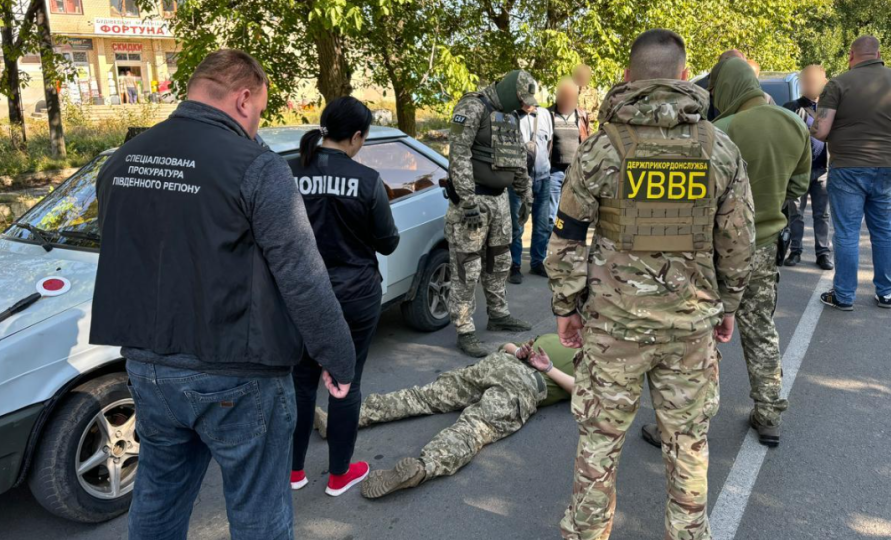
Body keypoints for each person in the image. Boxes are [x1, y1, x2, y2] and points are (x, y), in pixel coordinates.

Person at [91, 50, 355, 539]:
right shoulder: (258, 167)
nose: (255, 125)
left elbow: (132, 255)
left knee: (157, 499)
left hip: (150, 368)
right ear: (243, 97)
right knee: (258, 510)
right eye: (257, 113)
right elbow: (303, 276)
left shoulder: (121, 162)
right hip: (240, 374)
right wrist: (338, 358)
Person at [546, 29, 755, 540]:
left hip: (613, 329)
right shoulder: (719, 150)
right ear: (685, 77)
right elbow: (738, 241)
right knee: (688, 445)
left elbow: (567, 239)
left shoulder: (599, 150)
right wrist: (729, 305)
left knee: (599, 442)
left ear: (626, 78)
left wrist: (566, 306)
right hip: (690, 327)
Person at [288, 97, 401, 496]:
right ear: (355, 136)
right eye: (363, 139)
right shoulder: (367, 180)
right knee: (344, 382)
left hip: (300, 295)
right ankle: (339, 475)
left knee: (300, 382)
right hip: (354, 296)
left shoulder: (289, 171)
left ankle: (293, 472)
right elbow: (388, 243)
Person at [309, 334, 577, 499]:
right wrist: (517, 351)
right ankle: (425, 466)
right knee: (473, 427)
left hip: (523, 377)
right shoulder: (565, 335)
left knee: (425, 396)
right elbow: (510, 346)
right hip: (508, 368)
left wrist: (548, 368)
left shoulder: (592, 357)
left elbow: (583, 391)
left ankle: (341, 419)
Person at [701, 57, 810, 446]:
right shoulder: (794, 124)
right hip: (766, 246)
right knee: (760, 328)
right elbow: (799, 188)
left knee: (704, 334)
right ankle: (768, 413)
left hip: (718, 251)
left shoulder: (718, 131)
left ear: (726, 88)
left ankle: (692, 421)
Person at [811, 36, 891, 311]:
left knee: (846, 233)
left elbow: (820, 131)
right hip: (887, 166)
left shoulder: (838, 84)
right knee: (884, 230)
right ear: (879, 53)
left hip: (848, 167)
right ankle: (886, 293)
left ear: (851, 56)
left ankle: (843, 296)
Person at [446, 70, 536, 357]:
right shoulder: (472, 107)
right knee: (467, 266)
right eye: (522, 99)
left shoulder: (508, 116)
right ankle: (464, 328)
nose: (525, 106)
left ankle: (498, 314)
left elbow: (518, 158)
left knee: (500, 260)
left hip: (499, 202)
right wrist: (466, 200)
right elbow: (458, 153)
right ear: (511, 91)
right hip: (475, 203)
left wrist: (526, 194)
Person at [783, 65, 833, 269]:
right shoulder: (791, 108)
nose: (809, 84)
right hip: (798, 170)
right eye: (806, 81)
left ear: (824, 83)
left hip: (823, 169)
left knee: (822, 214)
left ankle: (823, 253)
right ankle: (795, 251)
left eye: (814, 81)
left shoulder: (830, 109)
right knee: (795, 213)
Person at [508, 97, 554, 283]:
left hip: (543, 178)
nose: (527, 104)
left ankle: (537, 262)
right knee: (516, 226)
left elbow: (548, 143)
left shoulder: (544, 114)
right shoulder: (510, 117)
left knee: (542, 225)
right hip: (518, 181)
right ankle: (515, 266)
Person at [546, 78, 590, 230]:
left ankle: (567, 248)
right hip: (554, 172)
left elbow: (586, 140)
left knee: (572, 212)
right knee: (551, 214)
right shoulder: (549, 114)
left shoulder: (582, 115)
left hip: (575, 172)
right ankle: (549, 249)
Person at [573, 64, 601, 128]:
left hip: (588, 129)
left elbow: (599, 110)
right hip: (572, 128)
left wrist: (590, 117)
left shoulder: (593, 92)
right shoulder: (570, 90)